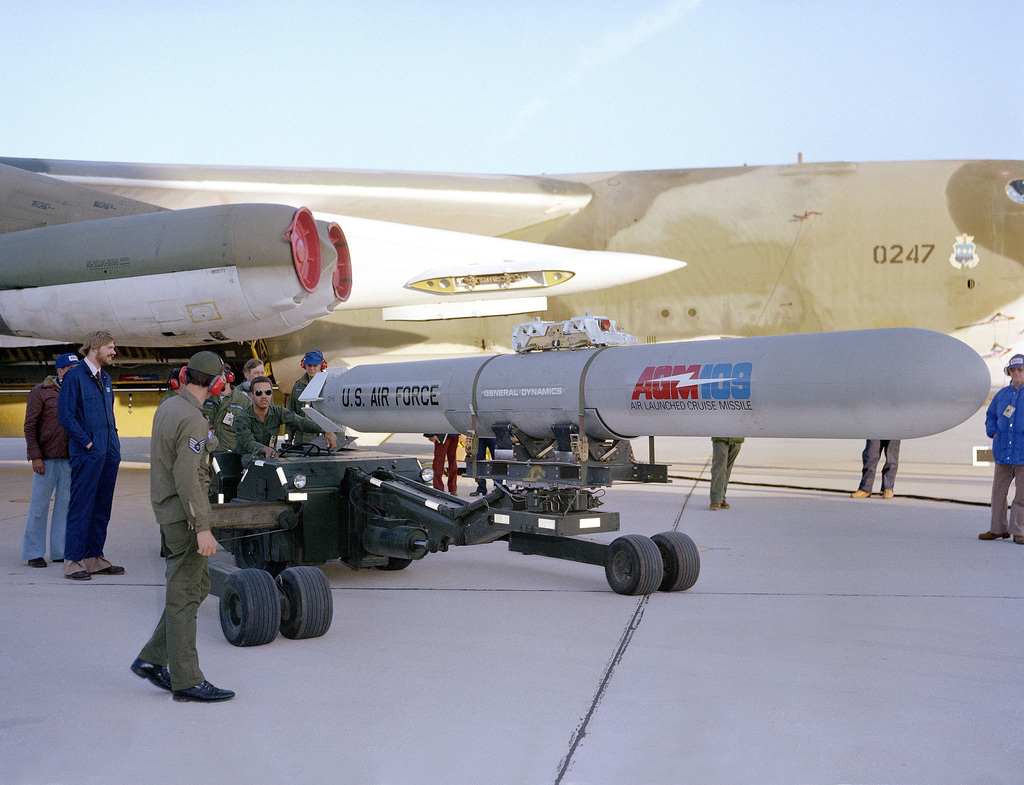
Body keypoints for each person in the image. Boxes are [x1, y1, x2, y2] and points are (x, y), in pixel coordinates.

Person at [132, 350, 235, 702]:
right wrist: (202, 526)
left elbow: (185, 452)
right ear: (216, 382)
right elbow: (188, 477)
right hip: (185, 518)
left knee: (197, 585)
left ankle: (152, 658)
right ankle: (187, 679)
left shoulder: (170, 407)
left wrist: (208, 440)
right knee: (183, 596)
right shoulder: (190, 418)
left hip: (170, 513)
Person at [57, 330, 124, 581]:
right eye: (110, 347)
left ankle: (94, 558)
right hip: (88, 454)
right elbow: (66, 415)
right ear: (95, 348)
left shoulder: (105, 378)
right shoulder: (74, 377)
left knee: (101, 507)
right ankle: (73, 561)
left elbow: (110, 417)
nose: (113, 352)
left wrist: (114, 445)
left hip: (108, 454)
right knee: (81, 506)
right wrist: (86, 442)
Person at [20, 353, 79, 567]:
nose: (74, 373)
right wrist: (35, 456)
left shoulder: (77, 391)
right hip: (46, 459)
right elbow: (30, 426)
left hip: (70, 460)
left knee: (65, 507)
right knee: (39, 506)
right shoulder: (40, 392)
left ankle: (59, 551)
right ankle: (33, 552)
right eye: (70, 370)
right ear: (60, 371)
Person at [235, 376, 337, 465]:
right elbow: (249, 442)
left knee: (301, 460)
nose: (264, 396)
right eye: (259, 393)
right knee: (255, 461)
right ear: (252, 395)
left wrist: (325, 429)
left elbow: (300, 422)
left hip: (273, 455)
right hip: (251, 456)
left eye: (268, 392)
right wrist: (265, 449)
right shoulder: (242, 419)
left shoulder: (278, 412)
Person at [981, 353, 1024, 544]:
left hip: (1023, 455)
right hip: (1003, 454)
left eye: (1020, 369)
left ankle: (1019, 531)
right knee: (998, 494)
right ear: (1009, 372)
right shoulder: (1002, 395)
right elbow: (990, 415)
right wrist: (993, 432)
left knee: (1021, 496)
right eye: (1013, 370)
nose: (1016, 373)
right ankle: (997, 529)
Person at [286, 350, 326, 444]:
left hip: (320, 440)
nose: (312, 368)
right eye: (309, 366)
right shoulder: (298, 386)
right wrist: (288, 439)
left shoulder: (328, 385)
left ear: (322, 366)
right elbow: (291, 413)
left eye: (315, 366)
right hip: (300, 440)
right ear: (304, 366)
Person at [709, 436, 744, 510]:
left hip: (737, 439)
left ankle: (721, 497)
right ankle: (716, 499)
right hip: (720, 437)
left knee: (728, 469)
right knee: (719, 467)